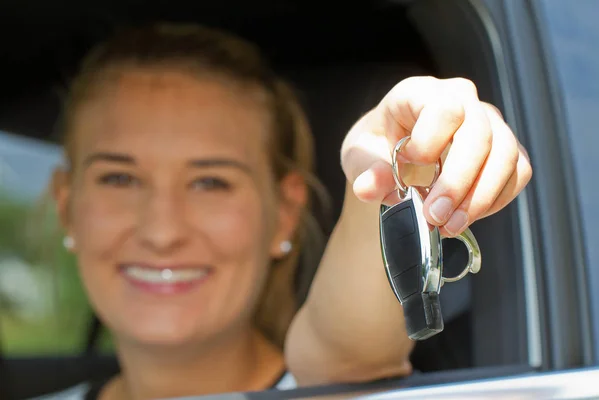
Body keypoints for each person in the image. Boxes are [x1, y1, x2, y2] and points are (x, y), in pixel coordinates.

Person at [40, 22, 532, 400]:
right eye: (119, 178)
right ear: (68, 206)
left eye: (210, 182)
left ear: (285, 212)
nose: (162, 230)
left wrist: (395, 162)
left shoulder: (322, 381)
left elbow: (348, 362)